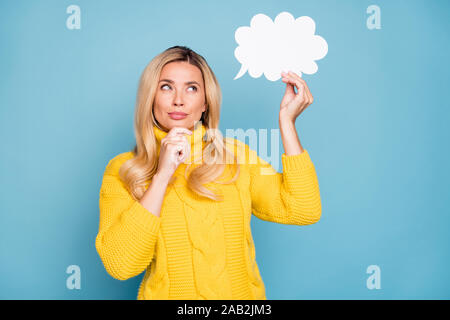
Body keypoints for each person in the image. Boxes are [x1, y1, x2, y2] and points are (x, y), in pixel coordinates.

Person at [95, 45, 322, 300]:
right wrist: (162, 175)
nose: (178, 99)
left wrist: (287, 123)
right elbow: (121, 265)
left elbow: (304, 209)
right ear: (151, 97)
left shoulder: (238, 156)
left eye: (191, 88)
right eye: (166, 87)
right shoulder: (124, 169)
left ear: (205, 103)